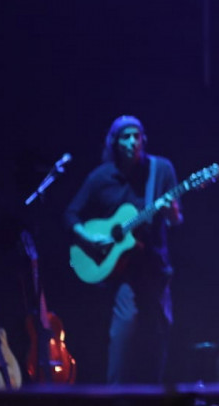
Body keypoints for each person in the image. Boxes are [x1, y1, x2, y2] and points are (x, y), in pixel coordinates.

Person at [63, 115, 181, 384]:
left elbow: (176, 220)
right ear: (114, 143)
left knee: (156, 349)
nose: (132, 142)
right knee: (122, 347)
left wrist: (172, 210)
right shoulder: (101, 177)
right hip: (124, 275)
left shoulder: (160, 170)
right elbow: (70, 214)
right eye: (125, 137)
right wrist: (89, 239)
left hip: (156, 271)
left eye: (136, 136)